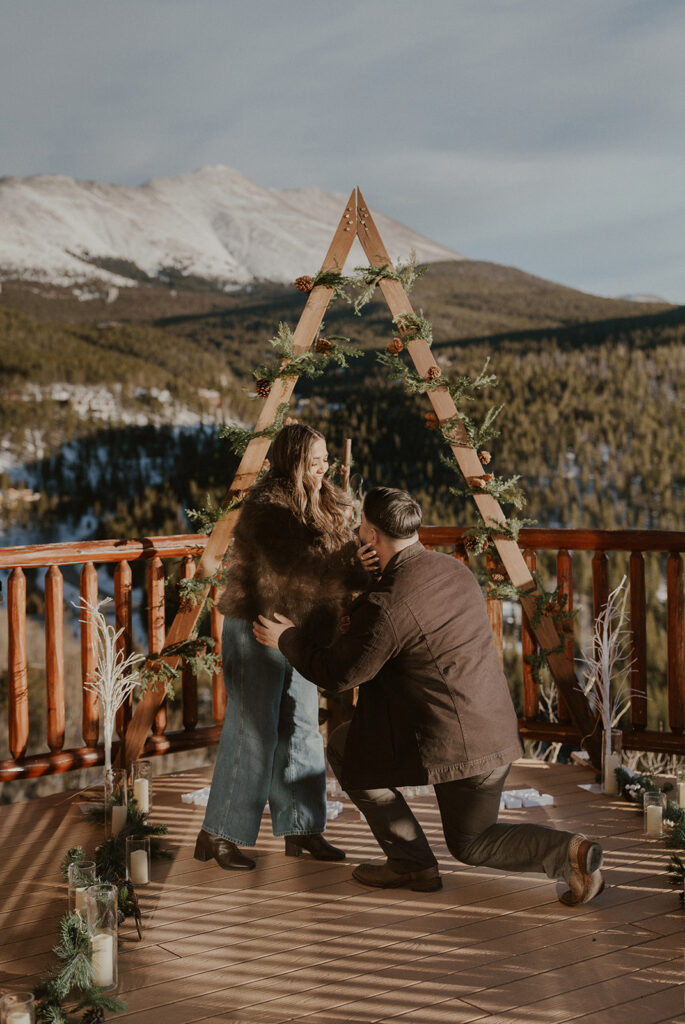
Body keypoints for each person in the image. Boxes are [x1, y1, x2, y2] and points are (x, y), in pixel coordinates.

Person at [253, 486, 604, 905]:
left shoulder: (389, 603)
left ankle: (411, 861)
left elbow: (338, 675)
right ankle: (570, 853)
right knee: (475, 839)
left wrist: (286, 637)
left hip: (453, 744)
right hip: (492, 733)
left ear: (370, 532)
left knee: (349, 748)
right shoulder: (453, 571)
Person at [194, 424, 374, 870]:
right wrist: (352, 564)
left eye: (327, 456)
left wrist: (355, 570)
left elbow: (329, 571)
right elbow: (295, 574)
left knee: (302, 727)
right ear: (292, 458)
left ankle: (303, 828)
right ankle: (218, 835)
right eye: (316, 457)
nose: (324, 464)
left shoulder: (329, 501)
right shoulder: (267, 509)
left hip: (301, 632)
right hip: (258, 626)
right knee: (251, 731)